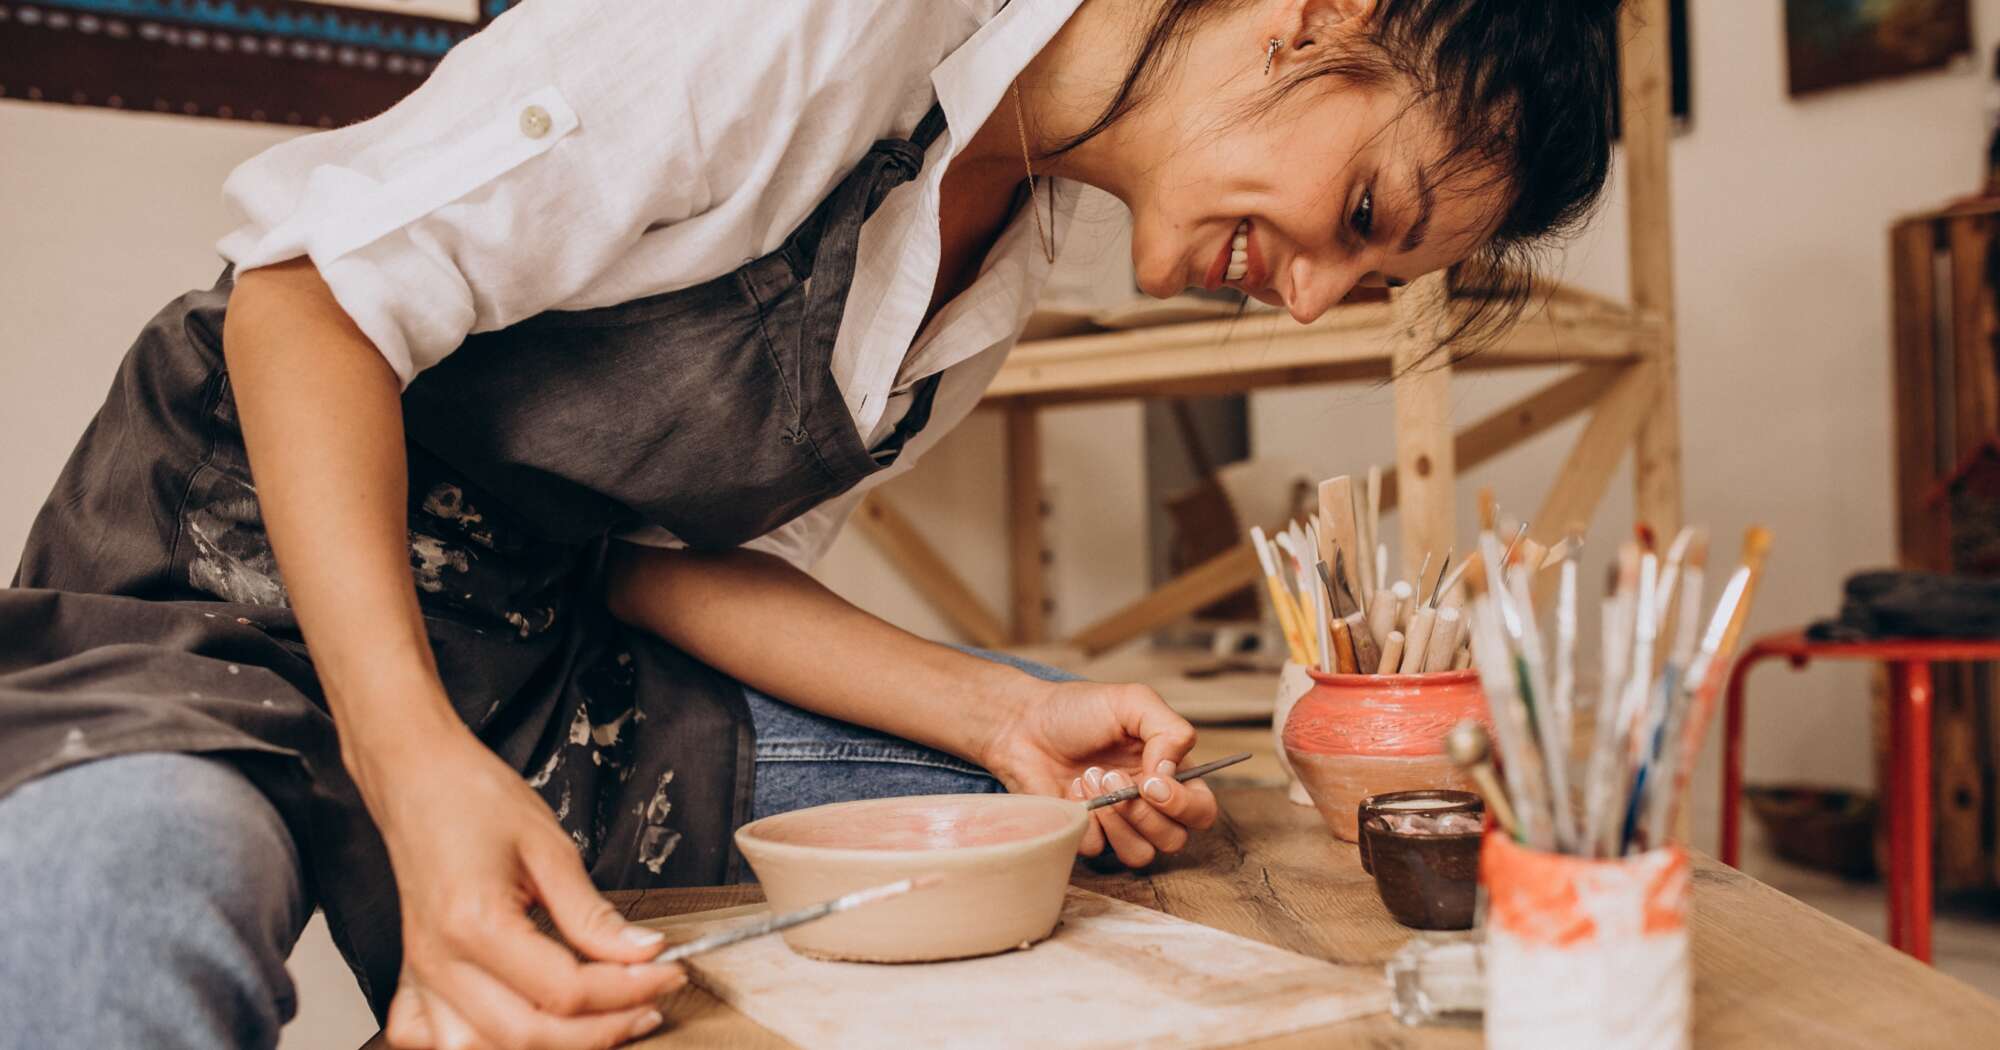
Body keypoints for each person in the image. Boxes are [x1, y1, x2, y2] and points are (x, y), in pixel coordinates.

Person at [0, 1, 1622, 1046]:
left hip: (550, 648)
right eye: (1363, 217)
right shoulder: (809, 22)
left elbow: (669, 564)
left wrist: (1009, 714)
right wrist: (418, 767)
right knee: (121, 911)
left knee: (1119, 836)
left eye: (1374, 280)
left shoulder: (1006, 261)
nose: (1319, 297)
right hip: (223, 580)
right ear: (1315, 18)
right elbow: (307, 305)